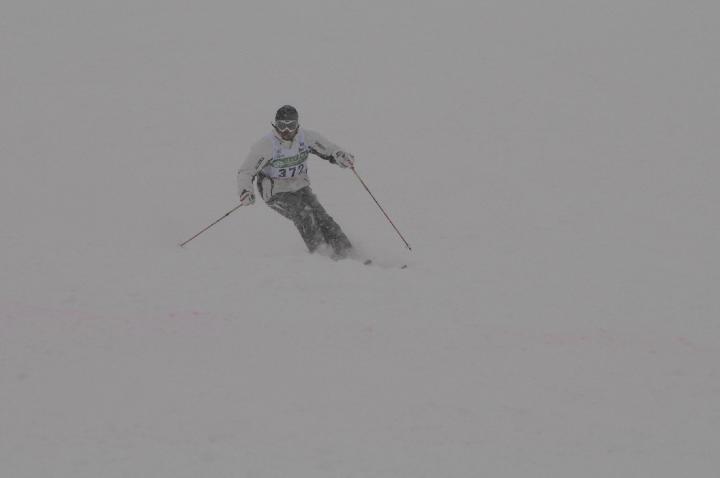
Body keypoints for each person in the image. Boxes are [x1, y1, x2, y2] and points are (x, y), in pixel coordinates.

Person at [237, 105, 357, 259]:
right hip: (275, 192)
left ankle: (348, 253)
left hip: (300, 186)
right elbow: (245, 172)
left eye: (291, 125)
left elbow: (331, 150)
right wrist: (246, 191)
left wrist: (341, 156)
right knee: (303, 213)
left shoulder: (306, 138)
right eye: (282, 125)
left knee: (322, 217)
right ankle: (322, 254)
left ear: (297, 124)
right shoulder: (266, 145)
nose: (286, 130)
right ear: (275, 124)